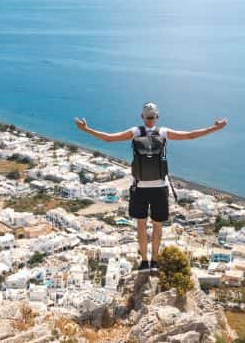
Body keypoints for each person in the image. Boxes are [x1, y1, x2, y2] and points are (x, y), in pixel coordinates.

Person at [74, 102, 228, 272]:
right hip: (159, 187)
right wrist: (214, 129)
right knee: (157, 225)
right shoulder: (163, 132)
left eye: (148, 117)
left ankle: (144, 262)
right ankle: (155, 261)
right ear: (157, 117)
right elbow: (190, 136)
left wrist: (86, 130)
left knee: (141, 225)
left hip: (140, 187)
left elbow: (108, 138)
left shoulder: (135, 132)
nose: (150, 119)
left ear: (142, 117)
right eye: (152, 117)